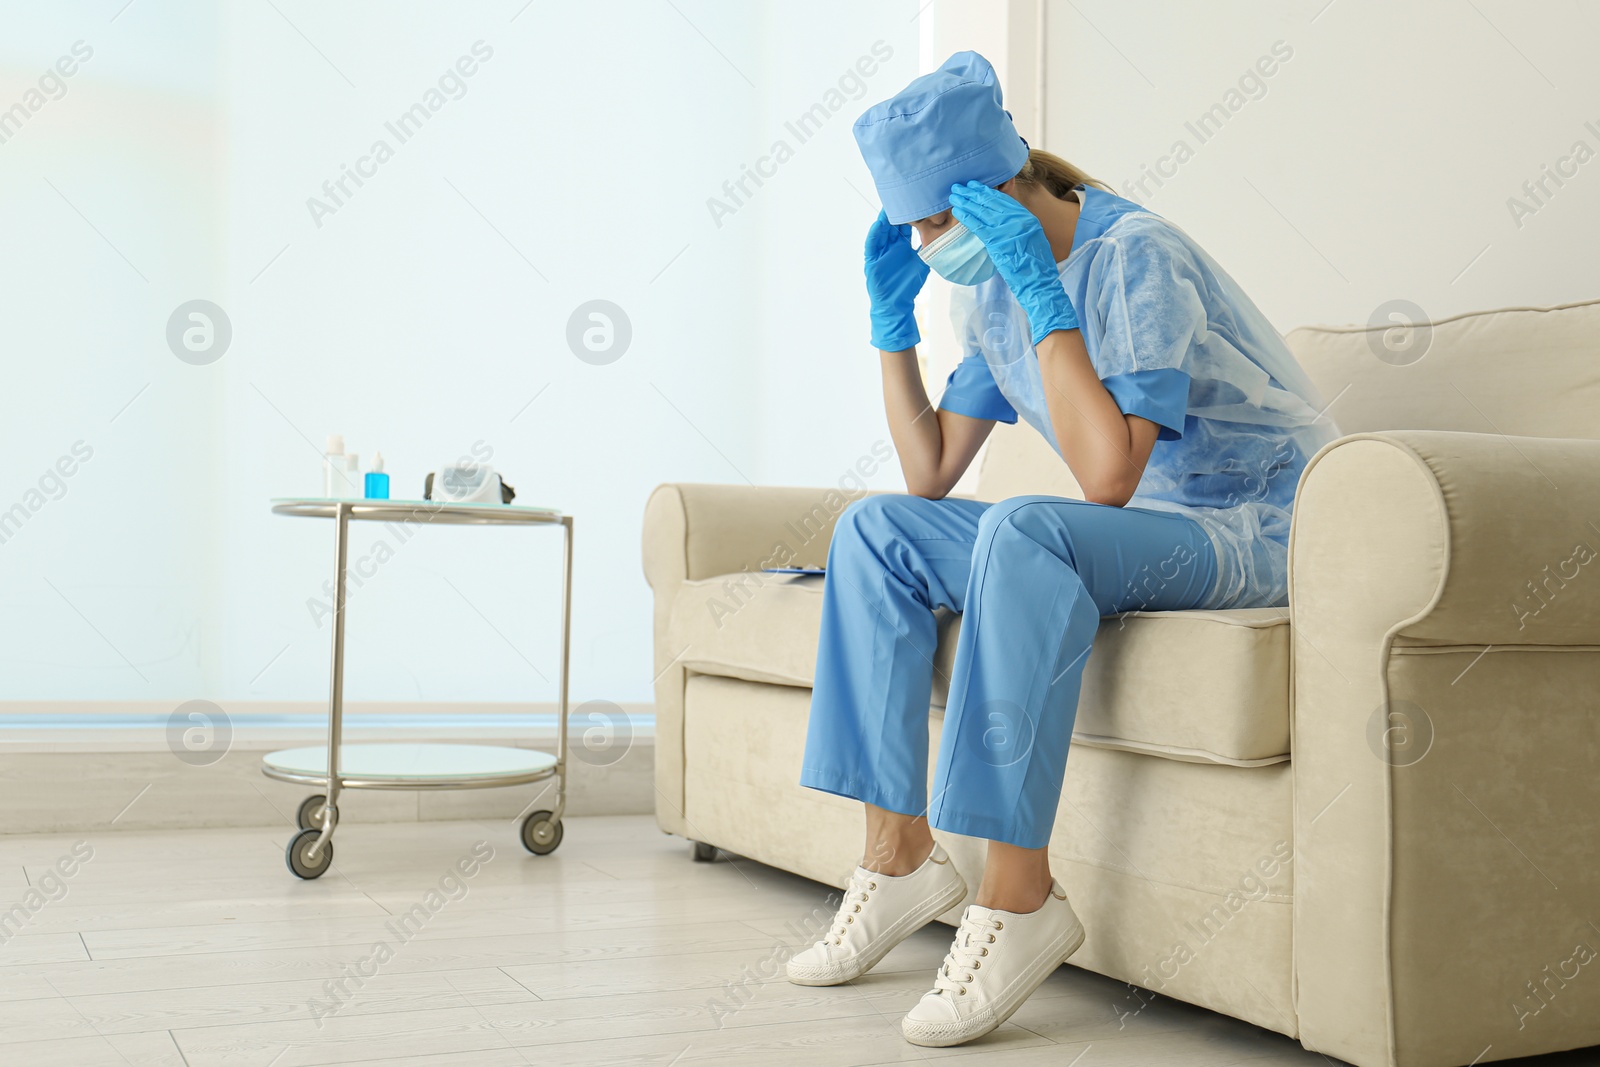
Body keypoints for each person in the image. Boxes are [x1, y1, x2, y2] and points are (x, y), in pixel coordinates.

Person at [786, 51, 1339, 1047]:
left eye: (932, 223)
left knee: (1027, 522)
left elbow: (1107, 478)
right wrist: (889, 328)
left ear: (996, 188)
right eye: (908, 228)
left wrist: (1049, 299)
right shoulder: (986, 291)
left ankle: (1018, 893)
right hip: (1144, 532)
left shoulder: (1135, 256)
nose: (924, 243)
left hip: (1257, 528)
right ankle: (901, 856)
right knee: (873, 529)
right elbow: (928, 471)